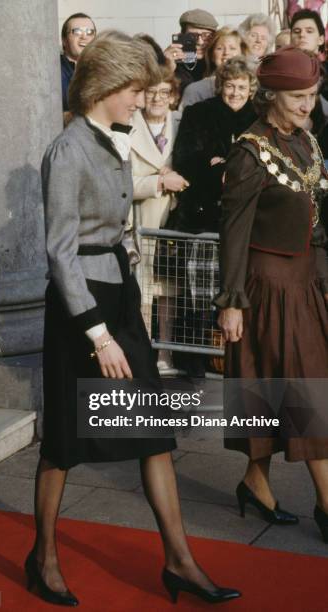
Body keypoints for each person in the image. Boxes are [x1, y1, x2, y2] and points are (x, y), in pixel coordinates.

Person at [27, 33, 241, 606]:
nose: (140, 101)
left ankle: (180, 561)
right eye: (134, 91)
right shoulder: (68, 150)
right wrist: (98, 335)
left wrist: (122, 302)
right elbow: (60, 253)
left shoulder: (114, 137)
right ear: (106, 86)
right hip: (82, 307)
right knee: (67, 441)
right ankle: (43, 557)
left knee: (152, 431)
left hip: (118, 293)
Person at [215, 46, 328, 543]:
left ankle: (255, 484)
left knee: (274, 387)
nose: (308, 104)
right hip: (266, 287)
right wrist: (232, 301)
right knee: (306, 392)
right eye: (299, 96)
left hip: (307, 282)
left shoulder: (306, 142)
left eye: (313, 94)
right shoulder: (249, 150)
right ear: (273, 95)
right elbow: (233, 232)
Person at [172, 56, 257, 379]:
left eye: (242, 86)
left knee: (242, 295)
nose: (236, 92)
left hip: (246, 221)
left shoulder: (258, 117)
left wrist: (221, 165)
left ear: (252, 89)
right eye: (230, 86)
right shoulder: (199, 114)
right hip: (203, 217)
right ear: (220, 85)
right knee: (200, 295)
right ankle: (196, 363)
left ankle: (236, 360)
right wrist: (221, 171)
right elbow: (187, 160)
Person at [130, 65, 187, 371]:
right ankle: (142, 355)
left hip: (173, 220)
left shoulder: (182, 124)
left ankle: (165, 353)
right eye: (150, 92)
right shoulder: (128, 126)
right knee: (142, 290)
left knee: (169, 289)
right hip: (141, 220)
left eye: (163, 92)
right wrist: (159, 182)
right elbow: (123, 182)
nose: (157, 98)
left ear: (172, 96)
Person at [180, 27, 249, 110]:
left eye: (232, 48)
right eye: (220, 48)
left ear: (242, 53)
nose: (226, 52)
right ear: (212, 55)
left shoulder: (253, 85)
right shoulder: (195, 90)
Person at [164, 9, 218, 94]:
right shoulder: (172, 60)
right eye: (193, 36)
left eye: (207, 36)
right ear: (181, 36)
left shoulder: (219, 61)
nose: (200, 42)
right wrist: (165, 70)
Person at [60, 13, 96, 112]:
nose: (84, 37)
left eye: (90, 32)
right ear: (64, 40)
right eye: (77, 32)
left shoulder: (103, 69)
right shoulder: (54, 69)